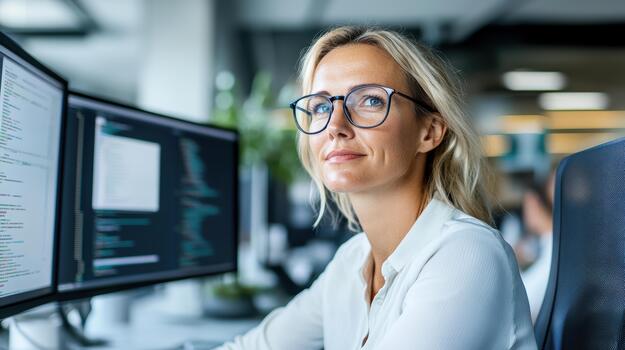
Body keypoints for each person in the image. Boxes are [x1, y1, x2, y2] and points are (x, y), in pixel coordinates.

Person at [216, 26, 537, 350]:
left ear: (429, 131)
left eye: (369, 100)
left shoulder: (465, 254)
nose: (336, 127)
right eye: (321, 107)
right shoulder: (352, 261)